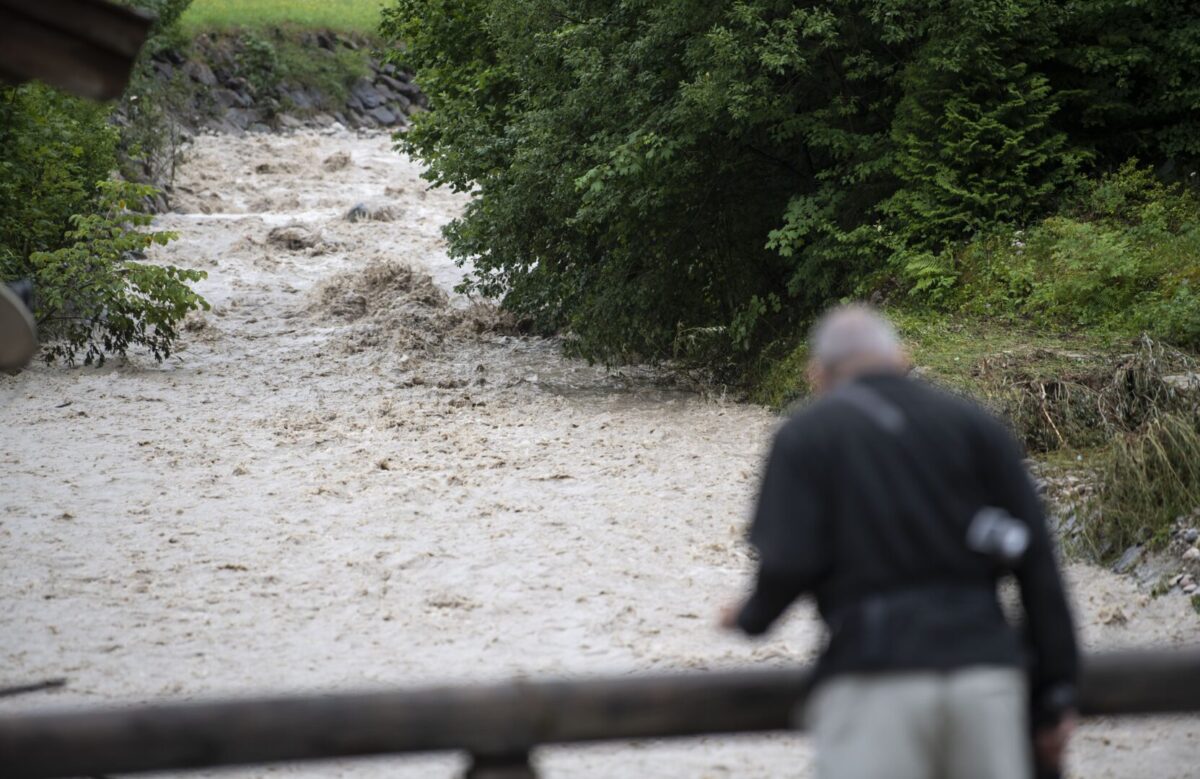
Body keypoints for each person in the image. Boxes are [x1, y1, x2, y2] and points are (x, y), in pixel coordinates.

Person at [721, 304, 1079, 779]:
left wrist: (750, 618)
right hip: (984, 674)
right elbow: (1038, 564)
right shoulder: (976, 426)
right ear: (902, 357)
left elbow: (788, 564)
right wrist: (1056, 693)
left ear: (817, 375)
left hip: (873, 675)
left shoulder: (806, 436)